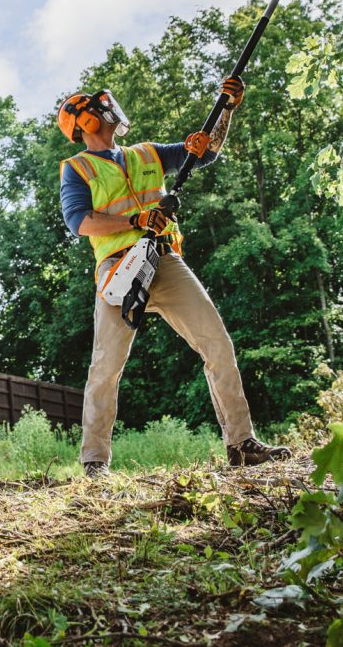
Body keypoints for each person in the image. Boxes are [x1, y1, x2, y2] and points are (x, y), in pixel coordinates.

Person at [57, 81, 292, 477]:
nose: (111, 110)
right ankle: (94, 462)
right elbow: (79, 221)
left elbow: (205, 152)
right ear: (85, 121)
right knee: (106, 367)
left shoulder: (147, 153)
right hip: (119, 270)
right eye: (102, 108)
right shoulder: (77, 168)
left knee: (217, 344)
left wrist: (227, 110)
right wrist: (136, 219)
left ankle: (241, 444)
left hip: (164, 262)